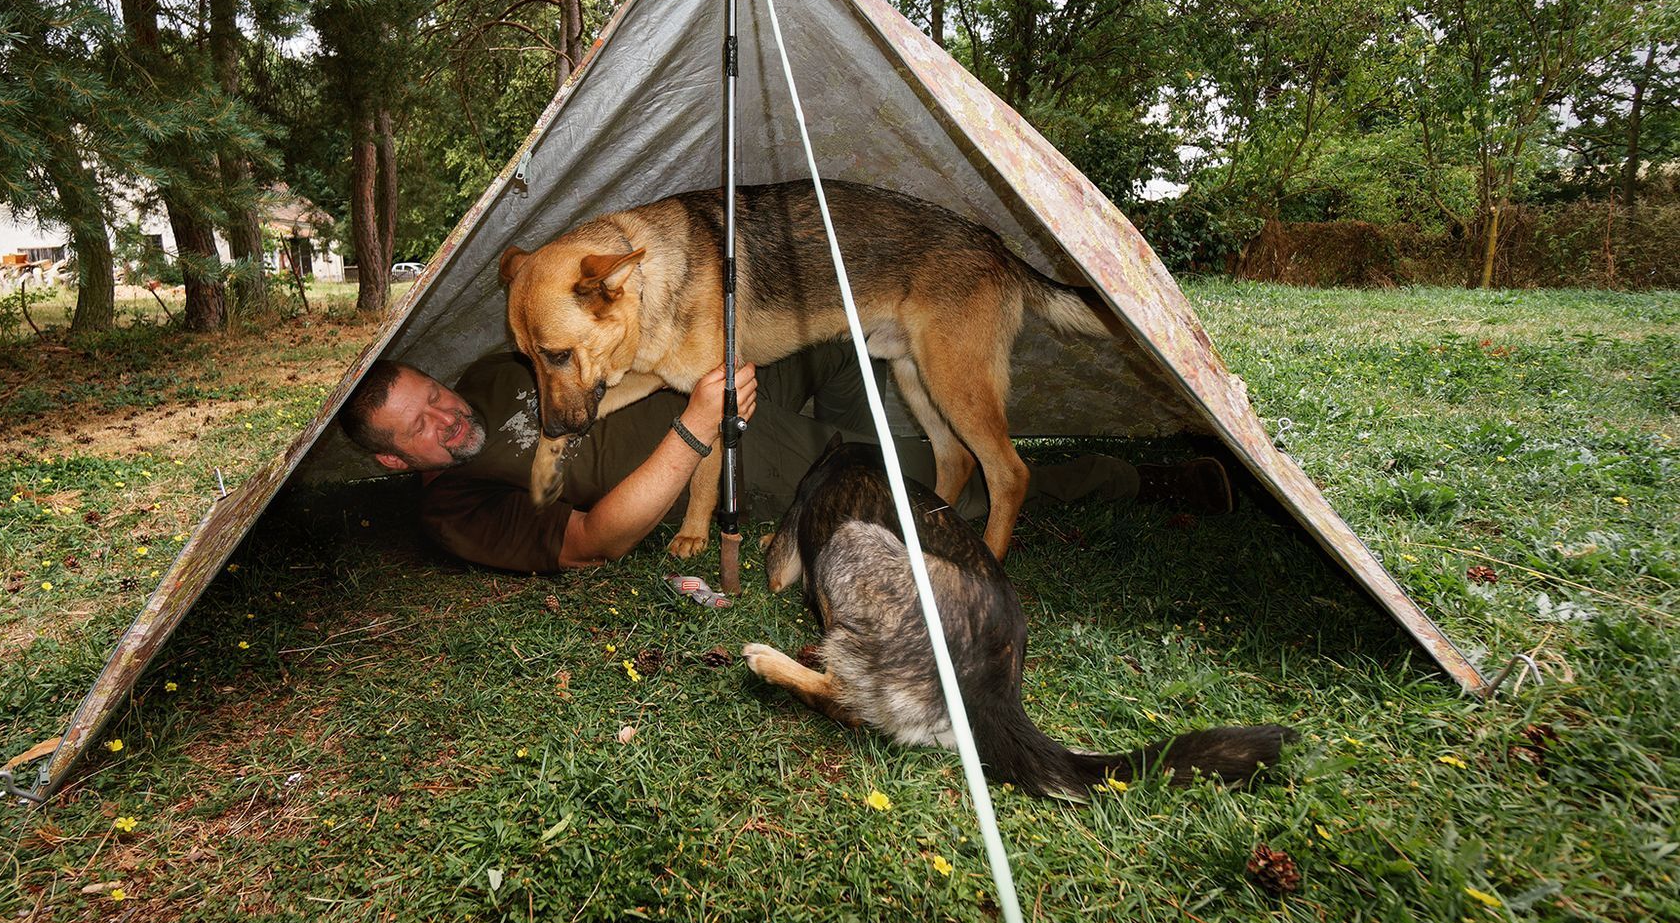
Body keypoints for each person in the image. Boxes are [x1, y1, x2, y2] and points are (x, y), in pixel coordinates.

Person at [341, 343, 1234, 578]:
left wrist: (702, 359)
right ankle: (1148, 475)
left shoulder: (493, 371)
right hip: (730, 438)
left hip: (733, 374)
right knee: (924, 486)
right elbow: (591, 541)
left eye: (433, 394)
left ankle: (895, 425)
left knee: (855, 323)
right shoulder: (454, 508)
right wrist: (695, 424)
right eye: (419, 425)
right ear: (393, 464)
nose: (447, 414)